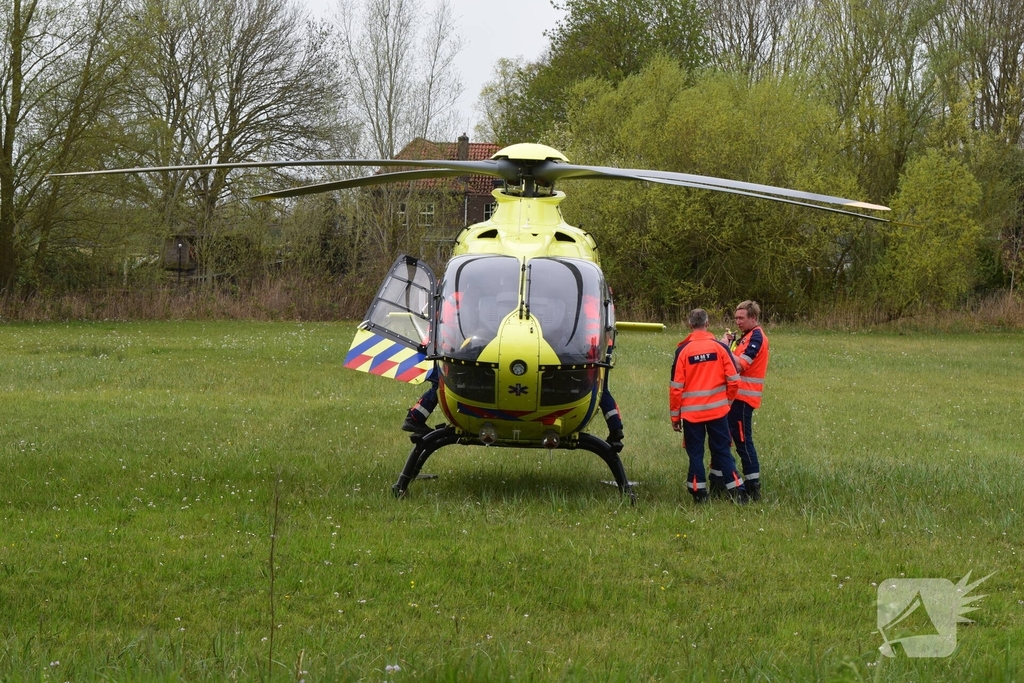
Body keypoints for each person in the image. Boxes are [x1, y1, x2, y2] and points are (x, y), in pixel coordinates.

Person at [670, 308, 746, 504]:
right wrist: (727, 402)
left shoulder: (683, 351)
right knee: (722, 450)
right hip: (718, 411)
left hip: (692, 415)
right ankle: (737, 492)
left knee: (695, 453)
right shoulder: (720, 349)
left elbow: (676, 388)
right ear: (707, 323)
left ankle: (699, 493)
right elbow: (734, 381)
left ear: (690, 325)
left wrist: (675, 417)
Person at [721, 300, 770, 501]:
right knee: (729, 440)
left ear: (753, 318)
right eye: (736, 318)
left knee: (743, 442)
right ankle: (724, 483)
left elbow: (741, 365)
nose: (737, 321)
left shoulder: (756, 336)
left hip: (743, 399)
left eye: (741, 318)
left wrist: (723, 349)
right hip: (736, 398)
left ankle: (752, 488)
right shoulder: (746, 337)